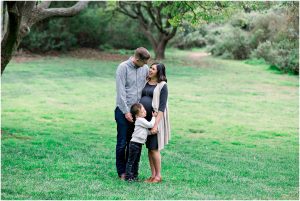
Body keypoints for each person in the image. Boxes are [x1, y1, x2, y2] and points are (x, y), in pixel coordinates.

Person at [115, 47, 151, 180]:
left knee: (134, 143)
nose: (146, 65)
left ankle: (131, 172)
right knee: (122, 143)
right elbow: (120, 92)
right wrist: (126, 112)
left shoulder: (144, 69)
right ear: (136, 59)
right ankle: (122, 172)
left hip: (138, 113)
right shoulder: (122, 68)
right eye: (144, 62)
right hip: (123, 111)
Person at [139, 63, 171, 183]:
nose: (150, 70)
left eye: (153, 69)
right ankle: (152, 175)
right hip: (145, 120)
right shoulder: (146, 82)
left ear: (159, 72)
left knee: (154, 148)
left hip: (155, 120)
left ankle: (158, 175)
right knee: (149, 148)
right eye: (150, 68)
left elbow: (162, 108)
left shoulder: (162, 86)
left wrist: (155, 125)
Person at [125, 103, 156, 182]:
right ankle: (128, 177)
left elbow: (145, 132)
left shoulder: (142, 120)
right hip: (134, 144)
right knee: (131, 161)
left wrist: (151, 133)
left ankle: (134, 176)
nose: (145, 112)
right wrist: (153, 117)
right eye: (142, 112)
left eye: (144, 110)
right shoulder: (140, 120)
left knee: (136, 161)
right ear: (137, 115)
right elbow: (150, 125)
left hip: (138, 144)